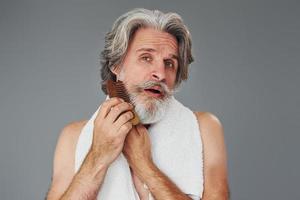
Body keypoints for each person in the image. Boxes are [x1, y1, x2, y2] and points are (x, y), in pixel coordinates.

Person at [47, 8, 229, 200]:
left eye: (169, 63)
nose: (160, 73)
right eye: (146, 58)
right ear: (116, 66)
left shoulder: (204, 128)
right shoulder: (73, 137)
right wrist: (98, 155)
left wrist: (144, 164)